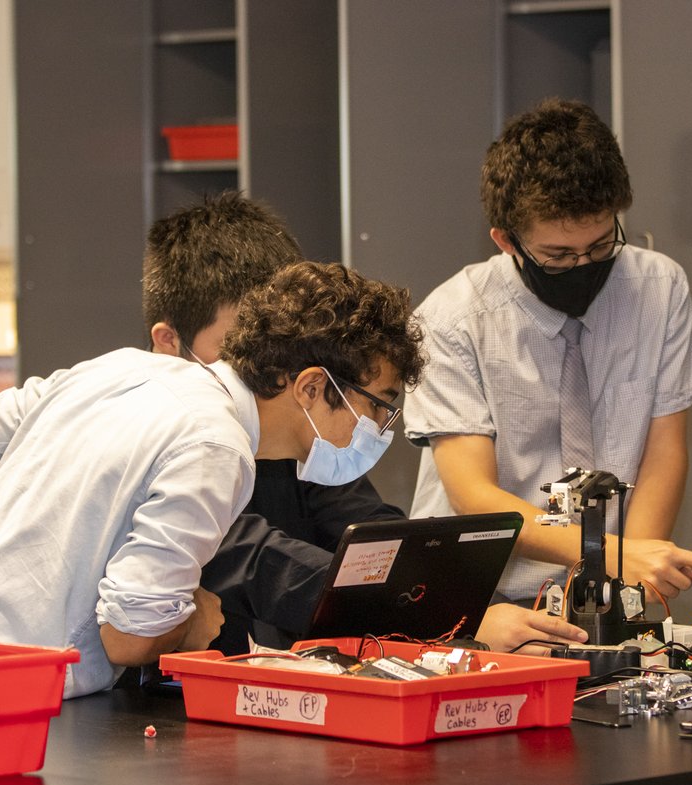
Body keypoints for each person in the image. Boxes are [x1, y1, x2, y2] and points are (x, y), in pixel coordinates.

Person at [0, 261, 425, 697]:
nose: (381, 430)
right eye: (379, 405)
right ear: (312, 387)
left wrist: (5, 553)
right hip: (10, 687)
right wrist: (191, 621)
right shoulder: (217, 446)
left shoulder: (121, 367)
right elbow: (130, 638)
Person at [143, 192, 588, 655]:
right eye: (239, 342)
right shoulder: (179, 434)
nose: (261, 360)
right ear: (169, 342)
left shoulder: (296, 435)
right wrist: (441, 616)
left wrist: (466, 605)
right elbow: (250, 555)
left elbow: (372, 537)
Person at [406, 98, 692, 607]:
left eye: (600, 247)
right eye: (558, 256)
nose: (583, 265)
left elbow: (664, 451)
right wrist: (611, 553)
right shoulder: (451, 321)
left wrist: (628, 585)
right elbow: (475, 496)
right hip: (483, 596)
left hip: (610, 583)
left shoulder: (658, 288)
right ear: (506, 241)